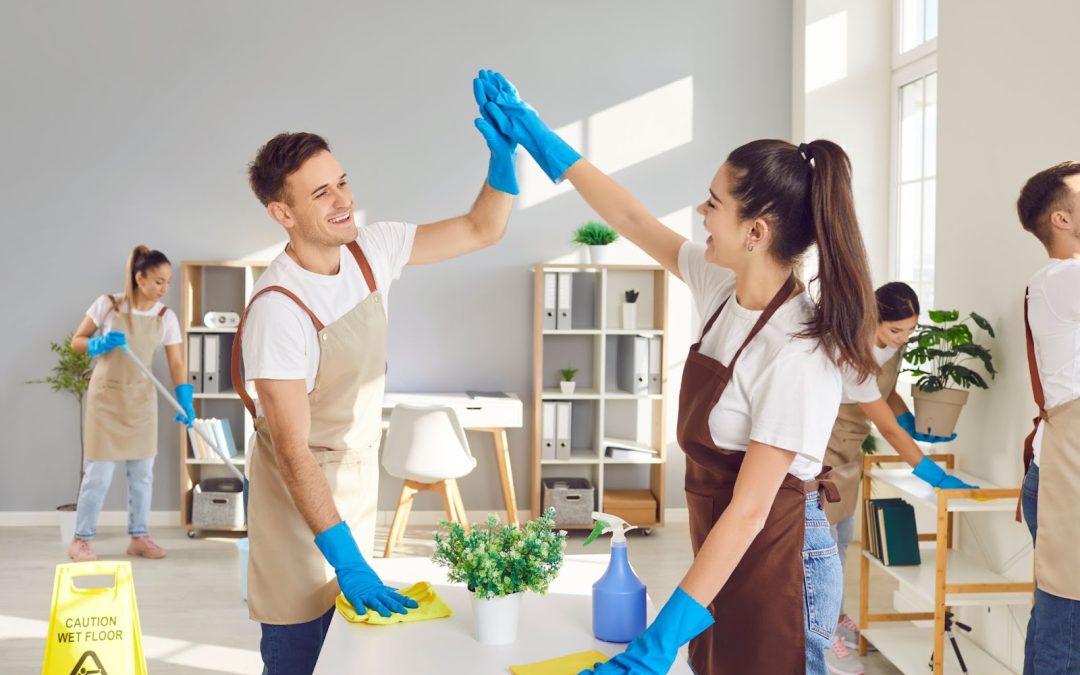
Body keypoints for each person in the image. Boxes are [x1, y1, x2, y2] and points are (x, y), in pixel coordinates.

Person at [476, 69, 875, 674]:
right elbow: (633, 219)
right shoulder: (722, 287)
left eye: (714, 202)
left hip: (781, 556)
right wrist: (540, 139)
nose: (700, 211)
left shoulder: (796, 353)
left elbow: (749, 511)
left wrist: (658, 641)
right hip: (725, 548)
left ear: (756, 232)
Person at [234, 118, 515, 674]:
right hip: (297, 503)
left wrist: (503, 160)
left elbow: (482, 229)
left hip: (356, 482)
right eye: (321, 193)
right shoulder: (278, 311)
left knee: (350, 656)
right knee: (298, 655)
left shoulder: (372, 248)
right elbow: (292, 455)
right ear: (282, 214)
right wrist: (346, 561)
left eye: (342, 181)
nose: (344, 200)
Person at [823, 281, 976, 675]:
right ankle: (819, 638)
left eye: (910, 330)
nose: (904, 338)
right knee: (821, 548)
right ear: (873, 317)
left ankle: (832, 618)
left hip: (851, 448)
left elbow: (884, 391)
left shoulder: (893, 341)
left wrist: (909, 417)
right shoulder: (851, 351)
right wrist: (932, 474)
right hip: (826, 448)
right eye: (896, 330)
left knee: (840, 540)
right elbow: (887, 430)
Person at [68, 245, 194, 562]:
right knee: (98, 475)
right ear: (140, 278)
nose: (165, 289)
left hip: (141, 400)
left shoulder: (165, 316)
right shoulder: (108, 305)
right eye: (158, 282)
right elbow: (76, 342)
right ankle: (81, 540)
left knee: (142, 475)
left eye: (168, 282)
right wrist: (98, 343)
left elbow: (177, 362)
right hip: (106, 400)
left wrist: (185, 399)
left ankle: (139, 537)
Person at [1016, 160, 1080, 675]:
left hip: (1063, 474)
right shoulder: (1063, 279)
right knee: (1067, 629)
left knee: (1057, 621)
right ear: (1061, 219)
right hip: (1066, 479)